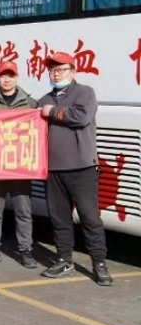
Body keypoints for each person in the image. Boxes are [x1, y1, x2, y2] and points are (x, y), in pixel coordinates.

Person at [38, 51, 112, 286]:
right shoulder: (43, 99)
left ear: (73, 72)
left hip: (82, 168)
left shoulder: (85, 93)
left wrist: (52, 112)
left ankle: (99, 263)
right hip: (53, 169)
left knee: (90, 217)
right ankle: (64, 260)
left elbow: (81, 117)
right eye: (52, 70)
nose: (56, 74)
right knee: (59, 218)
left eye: (61, 69)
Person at [0, 61, 38, 268]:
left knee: (23, 212)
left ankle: (25, 251)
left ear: (16, 78)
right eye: (3, 75)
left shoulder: (30, 104)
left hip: (21, 169)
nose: (7, 79)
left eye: (11, 75)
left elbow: (37, 137)